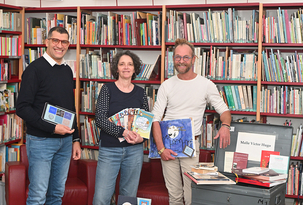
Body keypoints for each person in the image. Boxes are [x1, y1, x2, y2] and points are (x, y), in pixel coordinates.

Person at [151, 38, 232, 205]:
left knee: (191, 197)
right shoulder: (166, 85)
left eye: (186, 57)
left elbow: (224, 111)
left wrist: (225, 126)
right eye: (178, 57)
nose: (181, 61)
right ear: (173, 59)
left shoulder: (206, 84)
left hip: (190, 146)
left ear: (194, 59)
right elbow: (155, 119)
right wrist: (161, 149)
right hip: (167, 146)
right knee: (174, 196)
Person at [16, 26, 81, 205]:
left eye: (64, 42)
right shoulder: (34, 70)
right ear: (47, 42)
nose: (60, 45)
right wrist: (52, 128)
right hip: (41, 142)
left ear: (68, 45)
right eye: (55, 41)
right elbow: (21, 108)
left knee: (56, 195)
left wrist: (75, 139)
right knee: (38, 195)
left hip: (66, 141)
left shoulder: (67, 70)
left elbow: (70, 107)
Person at [93, 50, 149, 205]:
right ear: (116, 68)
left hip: (134, 152)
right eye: (122, 64)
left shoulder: (141, 93)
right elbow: (100, 119)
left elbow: (146, 123)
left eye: (130, 64)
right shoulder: (107, 89)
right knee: (101, 197)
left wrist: (141, 137)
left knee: (128, 198)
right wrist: (123, 132)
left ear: (135, 68)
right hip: (110, 150)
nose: (126, 67)